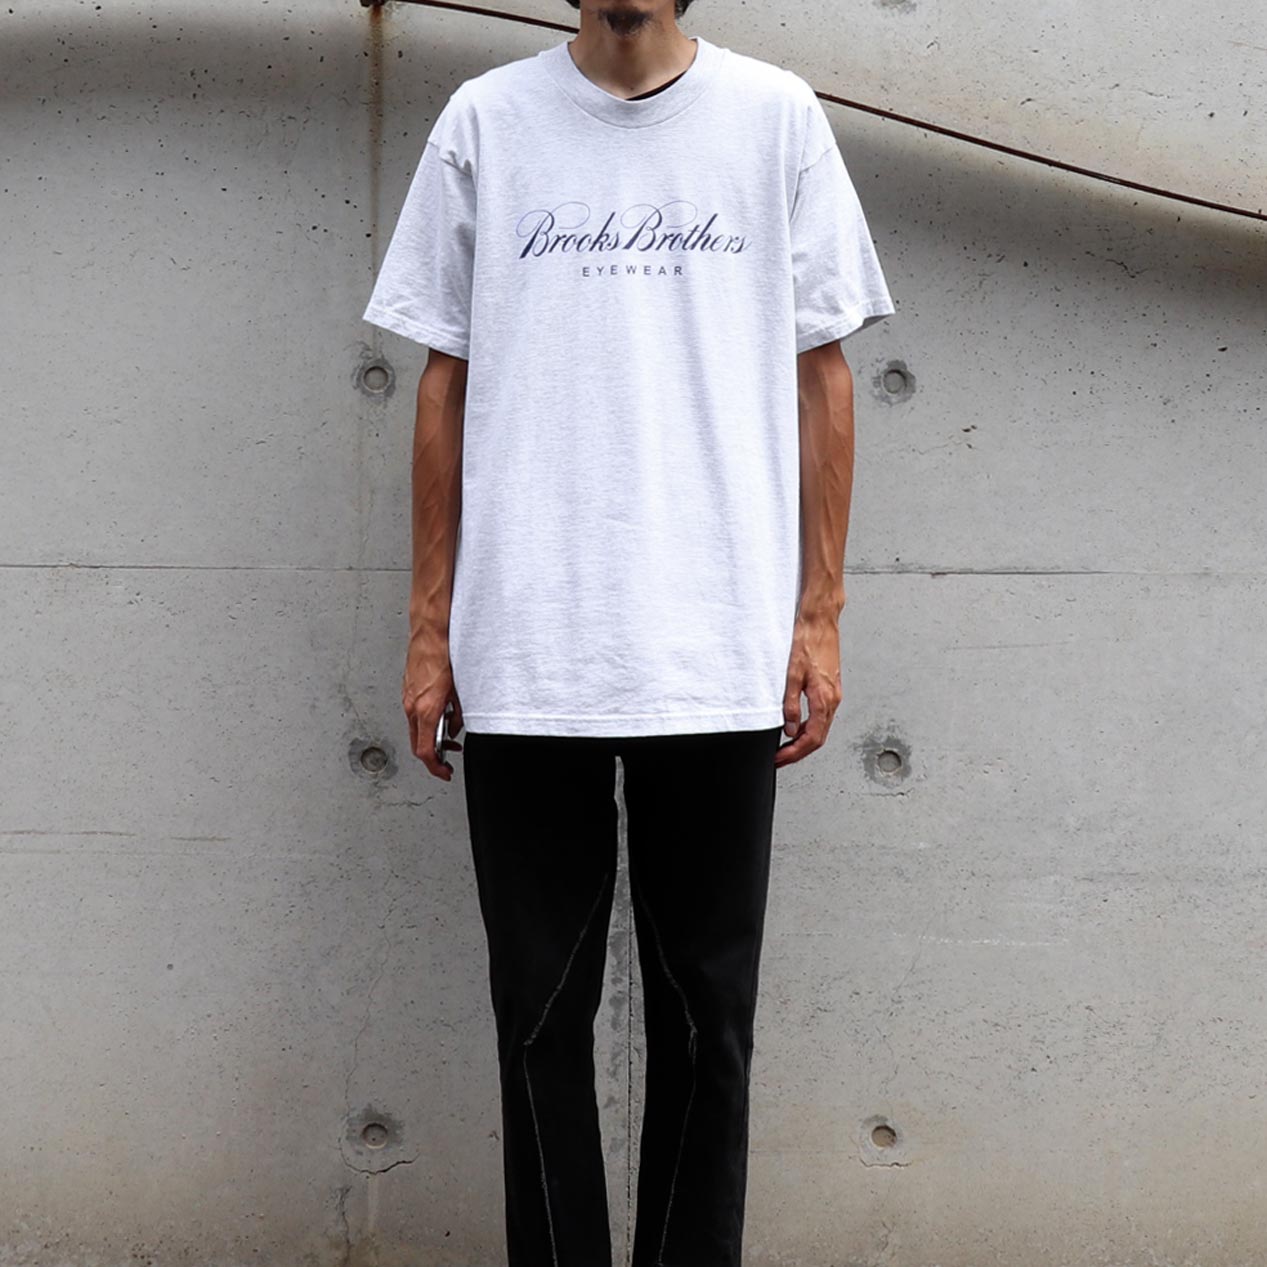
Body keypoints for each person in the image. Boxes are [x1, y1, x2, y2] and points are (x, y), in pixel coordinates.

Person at [361, 0, 896, 1261]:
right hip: (528, 645)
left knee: (709, 1023)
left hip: (715, 643)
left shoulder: (773, 119)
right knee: (537, 1021)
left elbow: (824, 376)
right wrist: (430, 628)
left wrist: (818, 613)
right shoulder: (487, 123)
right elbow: (443, 381)